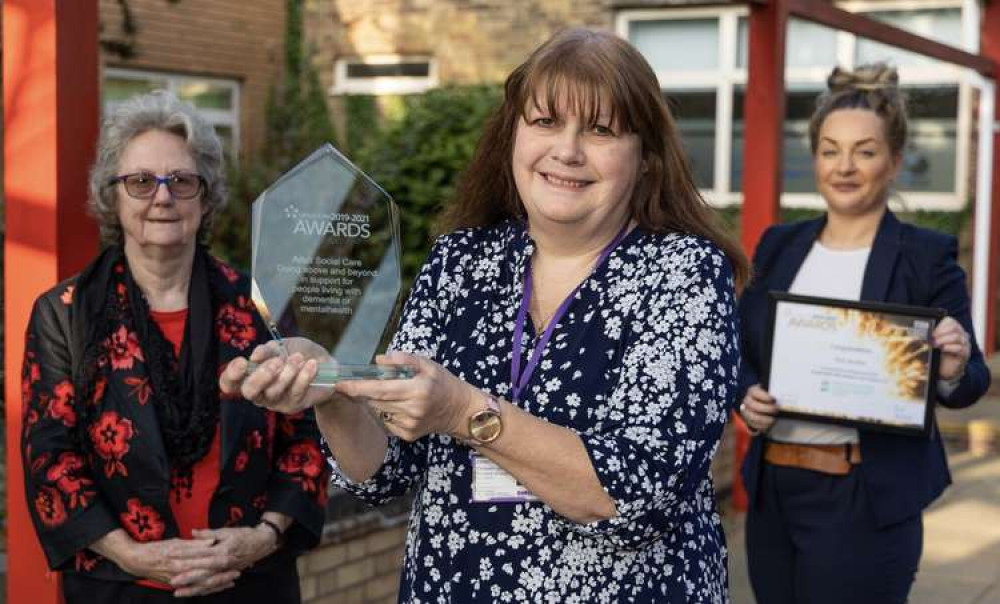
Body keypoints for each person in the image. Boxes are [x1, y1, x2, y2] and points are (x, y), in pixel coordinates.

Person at [222, 28, 749, 603]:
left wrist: (463, 410)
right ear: (513, 137)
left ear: (645, 158)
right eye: (545, 122)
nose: (566, 150)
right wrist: (335, 391)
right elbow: (388, 469)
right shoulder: (461, 261)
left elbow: (634, 497)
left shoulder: (684, 274)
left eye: (600, 129)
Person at [21, 90, 329, 603]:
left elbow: (307, 437)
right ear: (111, 196)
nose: (162, 197)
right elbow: (49, 457)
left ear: (204, 197)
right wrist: (133, 555)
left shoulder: (261, 306)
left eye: (181, 181)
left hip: (249, 583)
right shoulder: (65, 312)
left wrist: (262, 537)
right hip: (119, 588)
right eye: (141, 182)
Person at [736, 64, 991, 604]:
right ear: (815, 158)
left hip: (864, 495)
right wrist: (744, 394)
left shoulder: (925, 256)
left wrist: (949, 367)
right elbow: (742, 352)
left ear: (894, 161)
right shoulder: (780, 245)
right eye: (830, 150)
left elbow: (970, 381)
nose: (844, 166)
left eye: (865, 151)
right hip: (773, 491)